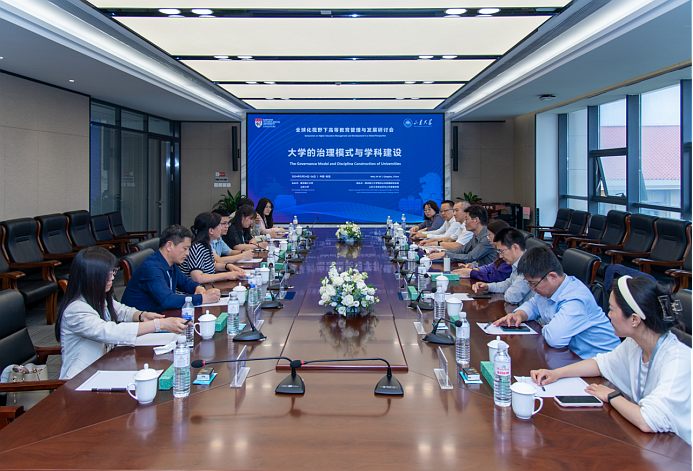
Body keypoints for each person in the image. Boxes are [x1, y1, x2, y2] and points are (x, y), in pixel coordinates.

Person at [531, 276, 691, 445]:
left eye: (612, 310)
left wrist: (612, 396)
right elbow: (601, 364)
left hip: (678, 450)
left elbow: (647, 421)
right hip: (650, 442)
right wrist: (557, 373)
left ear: (634, 319)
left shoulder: (678, 361)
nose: (609, 315)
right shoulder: (635, 343)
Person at [56, 247, 187, 380]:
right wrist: (158, 325)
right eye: (107, 273)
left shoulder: (97, 297)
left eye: (113, 271)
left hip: (104, 365)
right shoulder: (76, 309)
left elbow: (121, 310)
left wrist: (141, 315)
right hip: (79, 379)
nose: (112, 277)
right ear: (91, 276)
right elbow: (109, 331)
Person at [494, 246, 620, 359]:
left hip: (601, 362)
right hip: (572, 355)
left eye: (534, 283)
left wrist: (547, 327)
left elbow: (555, 338)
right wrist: (519, 314)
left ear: (553, 277)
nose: (531, 288)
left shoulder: (575, 298)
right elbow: (533, 305)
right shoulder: (549, 289)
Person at [121, 225, 221, 313]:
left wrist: (197, 288)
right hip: (141, 323)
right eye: (185, 249)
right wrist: (202, 298)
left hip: (159, 316)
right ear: (169, 246)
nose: (188, 253)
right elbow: (167, 300)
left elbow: (185, 282)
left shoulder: (169, 263)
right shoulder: (152, 268)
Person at [179, 212, 246, 284]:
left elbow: (212, 265)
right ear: (211, 231)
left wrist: (228, 266)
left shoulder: (207, 245)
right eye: (220, 225)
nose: (221, 228)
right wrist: (227, 275)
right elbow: (197, 278)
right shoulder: (197, 248)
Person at [472, 227, 533, 305]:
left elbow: (512, 297)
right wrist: (488, 287)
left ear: (515, 248)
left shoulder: (527, 266)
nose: (500, 256)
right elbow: (508, 283)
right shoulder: (517, 263)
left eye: (502, 251)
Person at [428, 205, 496, 266]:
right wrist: (442, 252)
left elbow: (470, 257)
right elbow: (462, 250)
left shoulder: (487, 238)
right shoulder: (476, 235)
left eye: (466, 219)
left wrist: (445, 255)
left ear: (476, 220)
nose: (465, 222)